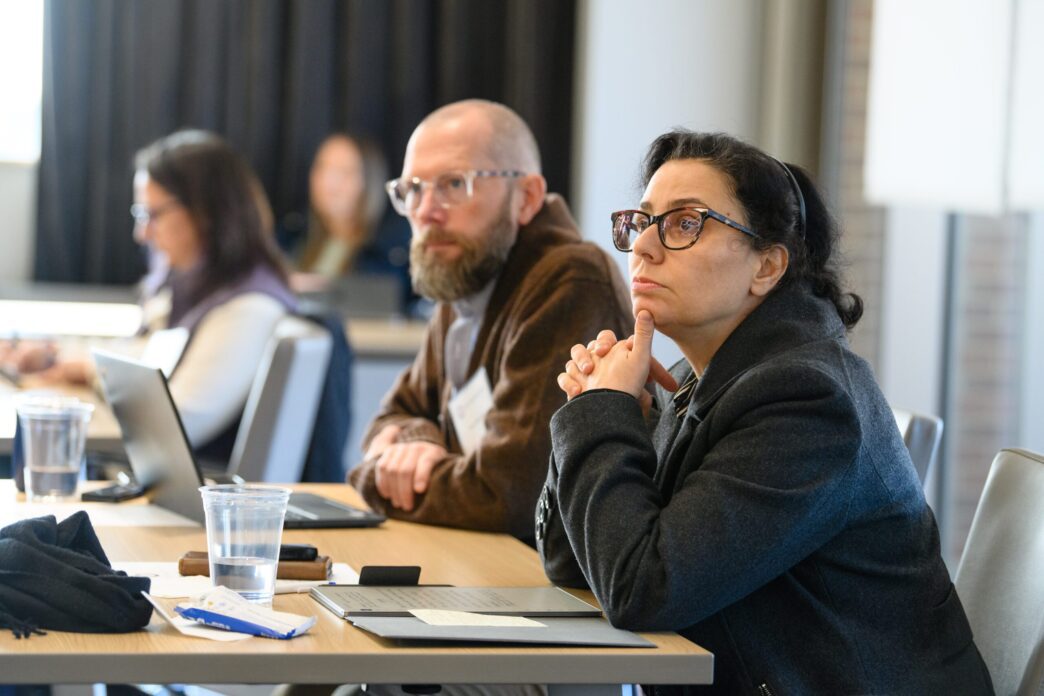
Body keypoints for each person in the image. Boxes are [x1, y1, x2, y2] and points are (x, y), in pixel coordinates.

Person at [541, 131, 993, 694]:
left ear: (767, 267)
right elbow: (574, 565)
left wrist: (600, 415)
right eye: (643, 221)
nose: (644, 248)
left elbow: (643, 591)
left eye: (685, 223)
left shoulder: (806, 401)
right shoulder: (694, 379)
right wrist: (602, 413)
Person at [348, 99, 632, 542]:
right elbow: (392, 419)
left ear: (527, 198)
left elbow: (506, 497)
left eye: (453, 184)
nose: (425, 210)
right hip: (477, 568)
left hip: (550, 591)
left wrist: (373, 478)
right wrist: (416, 440)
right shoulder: (464, 271)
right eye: (413, 189)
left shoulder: (570, 281)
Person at [19, 130, 297, 460]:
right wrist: (60, 357)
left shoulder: (249, 306)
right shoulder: (190, 281)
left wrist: (89, 370)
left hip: (191, 497)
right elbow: (144, 355)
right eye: (140, 215)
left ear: (207, 212)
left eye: (153, 215)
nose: (142, 234)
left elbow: (178, 422)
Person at [279, 132, 413, 310]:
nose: (330, 182)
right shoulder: (291, 235)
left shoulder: (392, 249)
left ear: (369, 179)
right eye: (322, 168)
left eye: (346, 172)